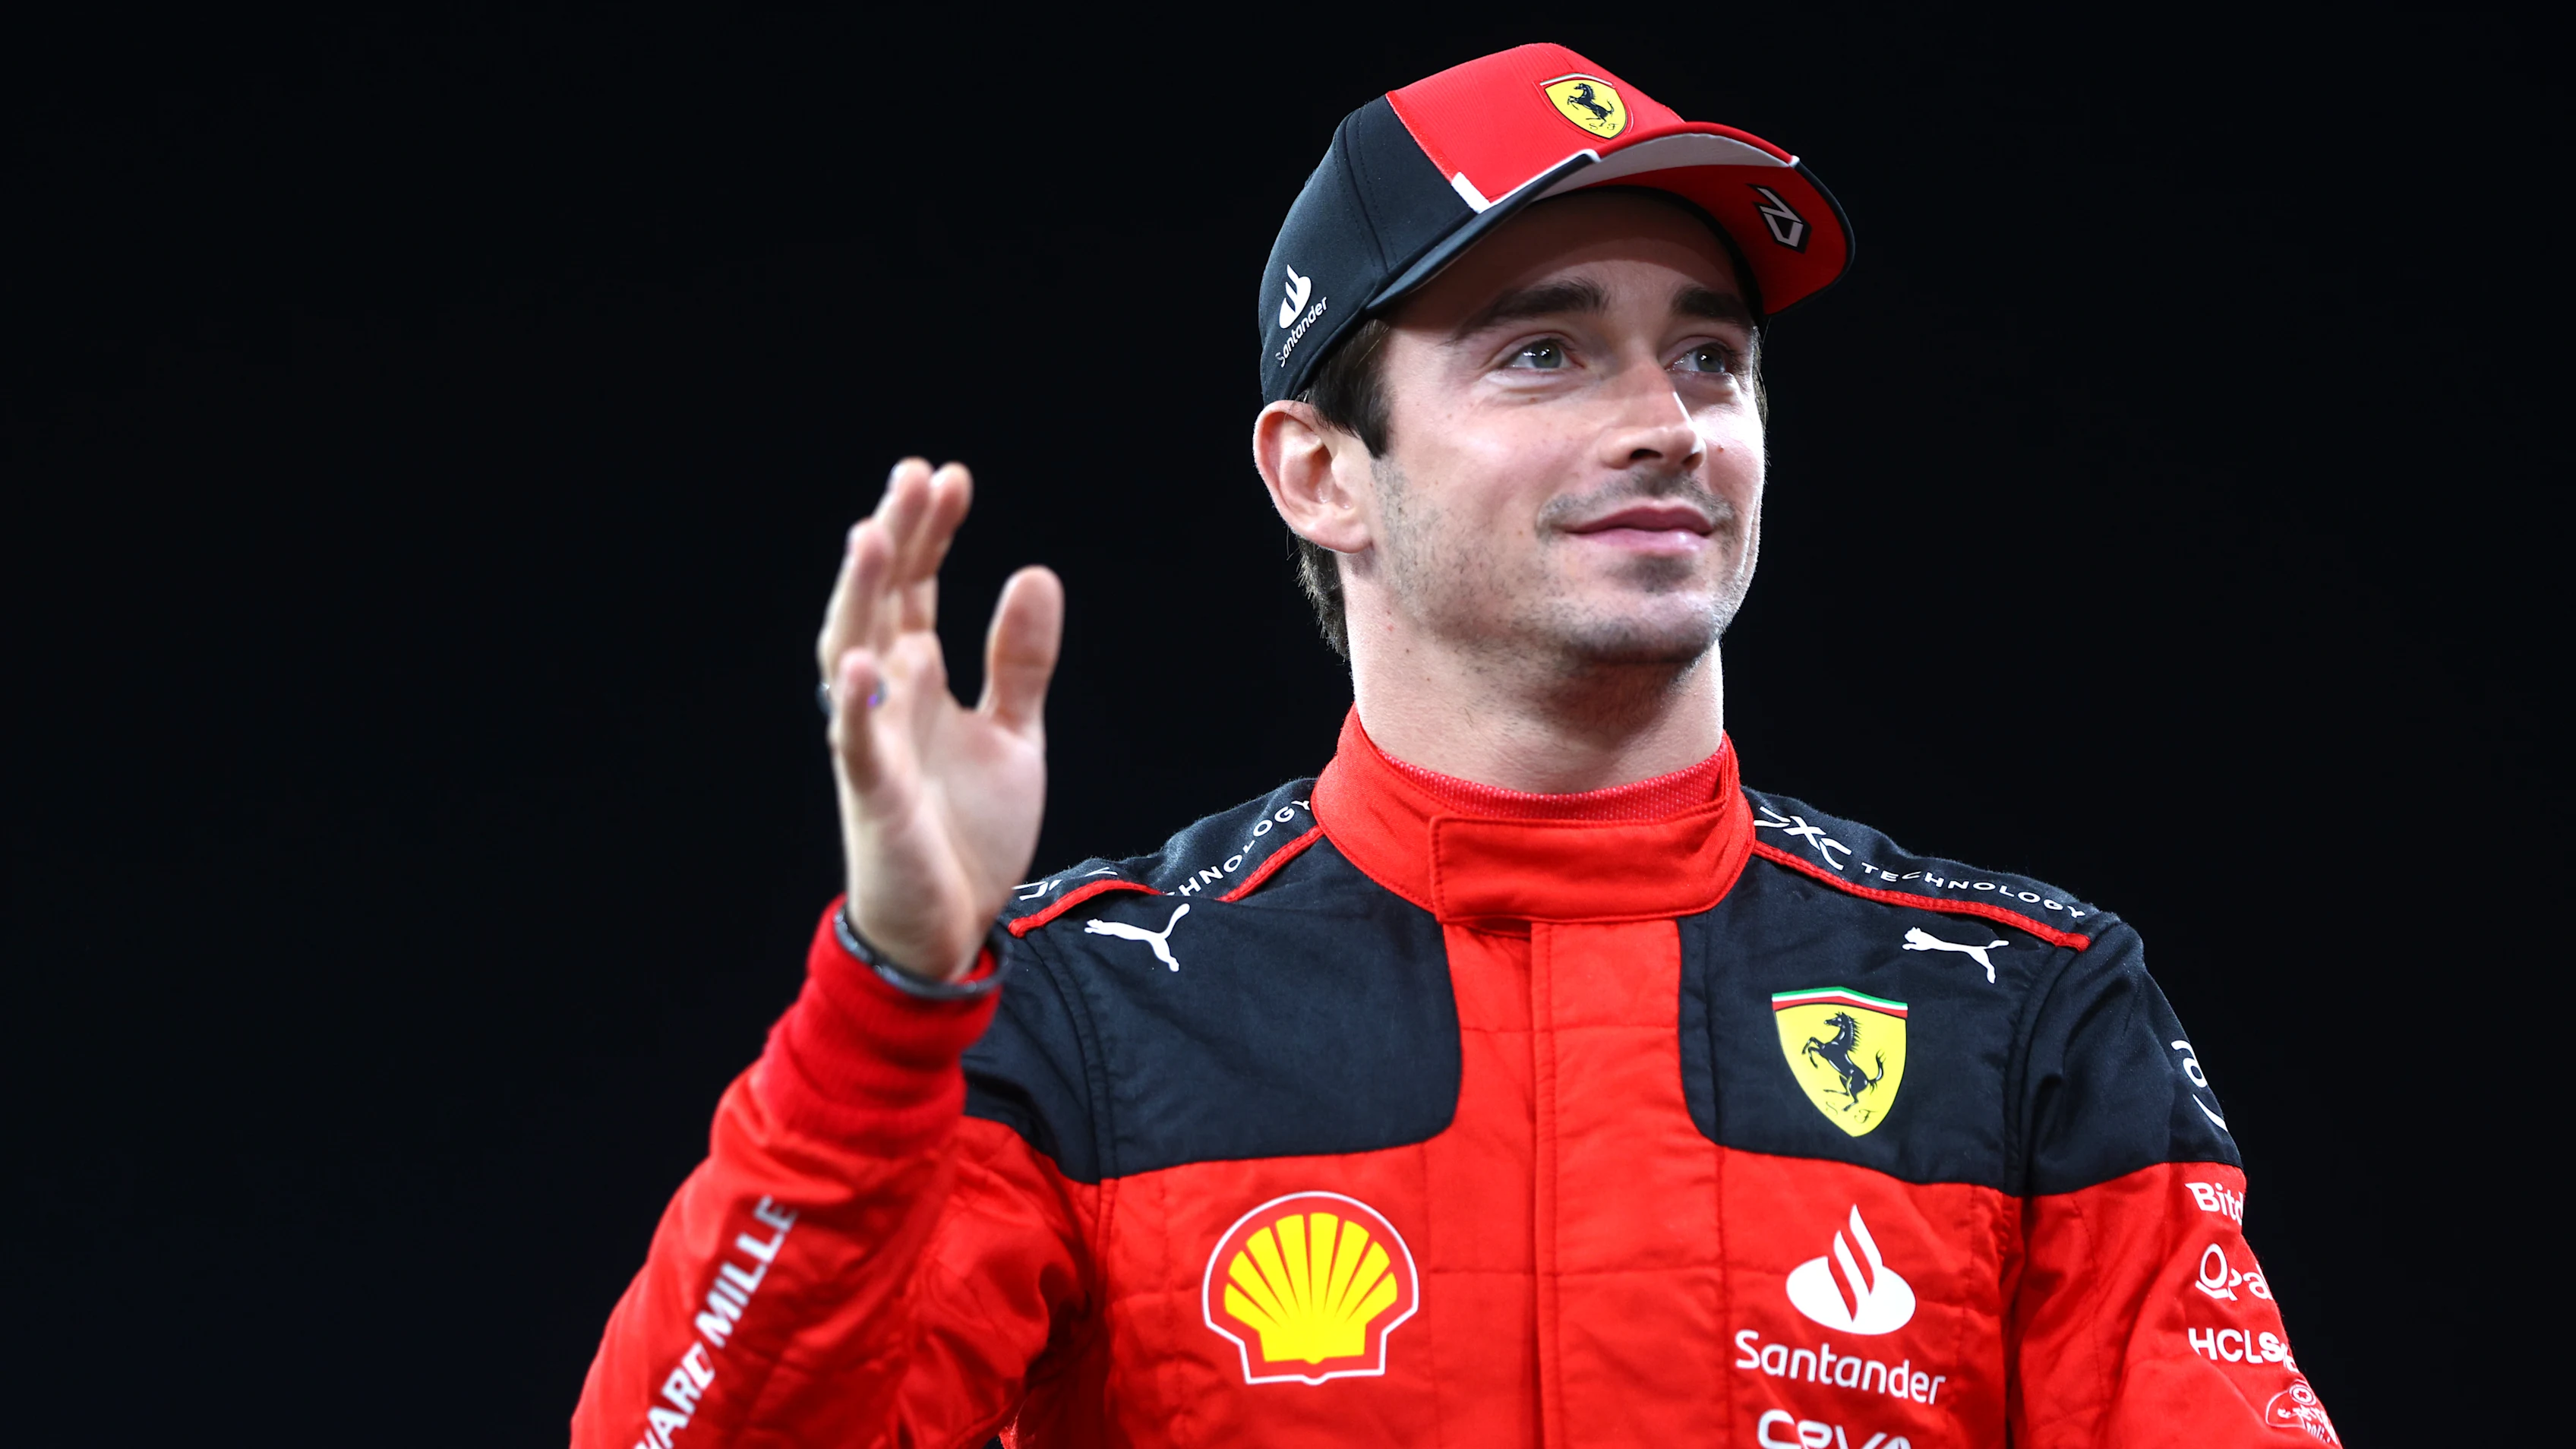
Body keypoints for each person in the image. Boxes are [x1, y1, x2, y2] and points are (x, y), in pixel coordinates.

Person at [573, 43, 2332, 1449]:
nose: (1664, 424)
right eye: (1546, 350)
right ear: (1319, 472)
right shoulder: (1083, 1014)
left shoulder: (2023, 1004)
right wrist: (891, 993)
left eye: (1708, 359)